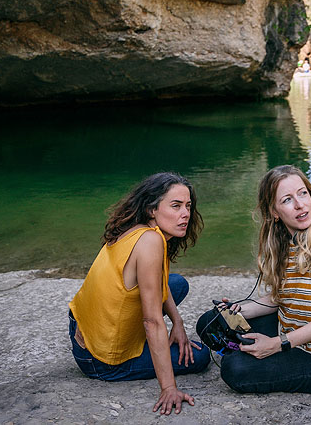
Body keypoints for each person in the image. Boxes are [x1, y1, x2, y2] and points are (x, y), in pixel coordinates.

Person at [198, 165, 311, 393]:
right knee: (211, 321)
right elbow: (281, 298)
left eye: (303, 193)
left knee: (235, 369)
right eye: (287, 200)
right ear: (274, 212)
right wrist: (241, 310)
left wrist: (276, 344)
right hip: (289, 327)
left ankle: (244, 352)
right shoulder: (283, 240)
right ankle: (244, 347)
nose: (300, 204)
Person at [68, 172, 210, 414]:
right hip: (99, 360)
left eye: (188, 206)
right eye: (175, 206)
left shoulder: (139, 229)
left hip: (81, 328)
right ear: (152, 209)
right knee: (201, 356)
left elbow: (161, 283)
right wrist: (168, 388)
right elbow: (152, 321)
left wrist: (177, 322)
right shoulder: (151, 242)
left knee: (177, 283)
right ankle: (126, 358)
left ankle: (140, 342)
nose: (185, 214)